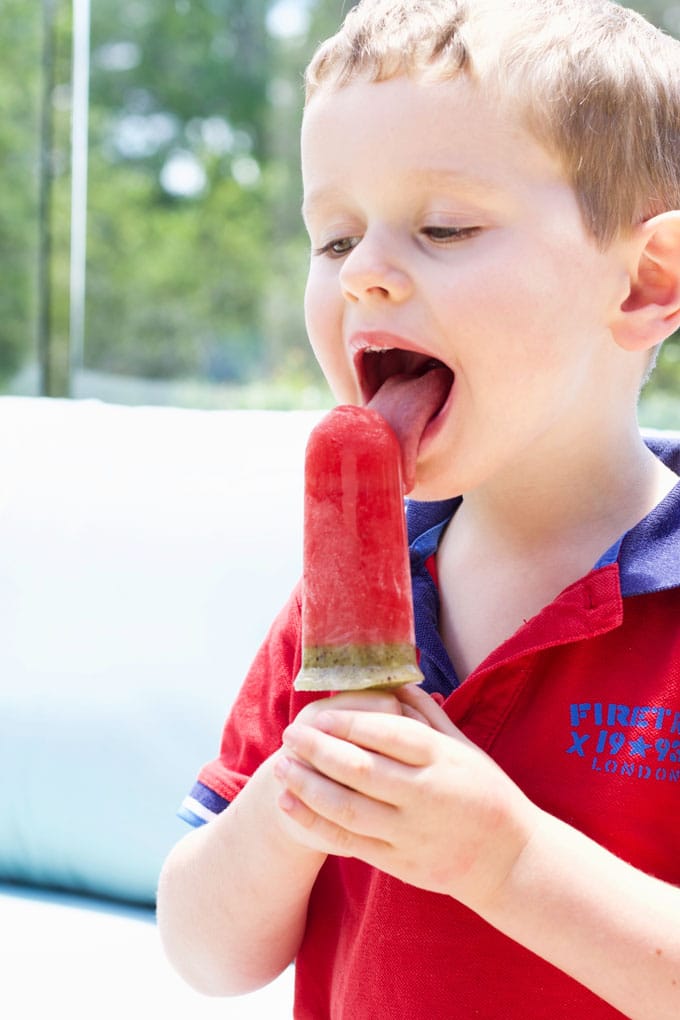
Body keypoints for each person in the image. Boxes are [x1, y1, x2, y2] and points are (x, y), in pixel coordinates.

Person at [156, 1, 680, 1017]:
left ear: (643, 283)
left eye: (444, 227)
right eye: (332, 237)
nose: (361, 275)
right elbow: (206, 956)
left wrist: (503, 858)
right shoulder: (340, 604)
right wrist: (293, 800)